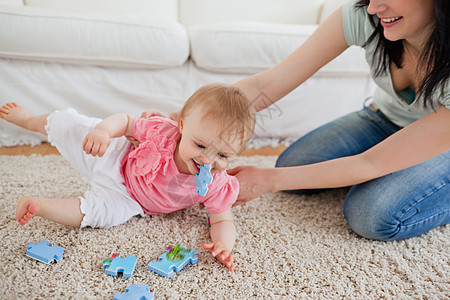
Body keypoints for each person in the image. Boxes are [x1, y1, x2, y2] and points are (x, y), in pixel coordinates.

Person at [226, 0, 449, 241]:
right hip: (384, 118)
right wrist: (190, 119)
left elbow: (370, 164)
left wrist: (266, 180)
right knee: (293, 165)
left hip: (442, 145)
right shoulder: (366, 16)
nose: (374, 8)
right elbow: (267, 84)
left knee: (370, 213)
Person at [0, 83, 256, 270]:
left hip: (132, 200)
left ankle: (40, 205)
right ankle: (30, 120)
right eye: (200, 146)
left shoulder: (216, 183)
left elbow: (222, 220)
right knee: (73, 126)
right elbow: (126, 122)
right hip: (116, 155)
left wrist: (224, 245)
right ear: (181, 126)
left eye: (222, 155)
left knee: (100, 214)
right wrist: (102, 131)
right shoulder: (162, 131)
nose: (208, 161)